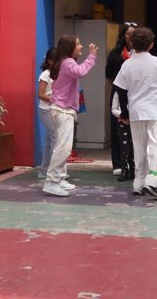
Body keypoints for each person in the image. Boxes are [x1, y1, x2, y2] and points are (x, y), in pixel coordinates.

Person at [113, 27, 157, 199]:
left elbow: (121, 90)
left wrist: (125, 112)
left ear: (131, 43)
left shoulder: (127, 64)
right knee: (156, 146)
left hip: (136, 111)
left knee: (139, 147)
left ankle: (138, 182)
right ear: (151, 45)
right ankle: (152, 181)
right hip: (156, 110)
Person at [43, 35, 98, 197]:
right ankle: (51, 181)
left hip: (61, 109)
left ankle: (58, 178)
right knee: (63, 148)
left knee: (63, 146)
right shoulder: (68, 62)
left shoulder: (64, 62)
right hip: (63, 110)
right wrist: (92, 56)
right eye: (78, 44)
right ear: (70, 47)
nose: (81, 46)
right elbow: (81, 71)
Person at [106, 22, 137, 176]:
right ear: (123, 36)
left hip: (137, 93)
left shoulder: (141, 53)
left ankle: (134, 163)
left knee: (136, 128)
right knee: (117, 127)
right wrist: (119, 88)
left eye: (134, 34)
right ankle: (118, 163)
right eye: (128, 34)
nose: (131, 37)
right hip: (119, 92)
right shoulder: (116, 53)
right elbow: (109, 75)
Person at [37, 47, 58, 179]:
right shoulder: (45, 74)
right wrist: (55, 100)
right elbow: (40, 94)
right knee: (55, 137)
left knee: (50, 139)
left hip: (53, 109)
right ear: (50, 61)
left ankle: (45, 170)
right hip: (45, 110)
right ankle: (53, 171)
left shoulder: (57, 74)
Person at [110, 90, 135, 181]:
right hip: (122, 123)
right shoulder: (118, 92)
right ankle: (125, 170)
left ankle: (133, 169)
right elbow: (113, 109)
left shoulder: (136, 90)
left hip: (135, 122)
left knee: (134, 147)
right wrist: (122, 116)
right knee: (124, 148)